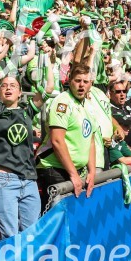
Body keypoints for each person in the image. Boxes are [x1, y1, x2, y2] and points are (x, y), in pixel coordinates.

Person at [0, 35, 39, 240]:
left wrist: (46, 58)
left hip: (29, 180)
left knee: (31, 238)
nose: (7, 88)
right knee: (10, 241)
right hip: (3, 180)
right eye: (4, 85)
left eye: (12, 85)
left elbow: (47, 89)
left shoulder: (27, 111)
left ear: (20, 92)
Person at [38, 63, 96, 198]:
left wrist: (92, 172)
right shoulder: (62, 102)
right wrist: (73, 174)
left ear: (90, 84)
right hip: (55, 169)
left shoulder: (88, 105)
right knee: (59, 216)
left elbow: (91, 141)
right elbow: (57, 140)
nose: (82, 85)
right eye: (78, 80)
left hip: (76, 170)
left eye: (85, 81)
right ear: (69, 81)